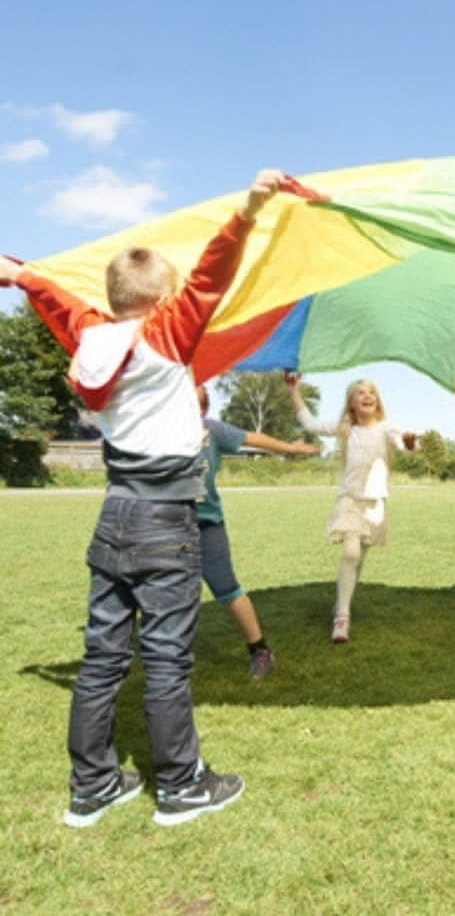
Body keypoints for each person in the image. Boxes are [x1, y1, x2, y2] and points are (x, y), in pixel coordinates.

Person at [0, 168, 284, 827]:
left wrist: (16, 274)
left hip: (113, 519)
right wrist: (247, 210)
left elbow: (53, 299)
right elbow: (213, 274)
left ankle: (92, 786)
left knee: (102, 657)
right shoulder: (164, 337)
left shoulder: (90, 338)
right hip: (166, 524)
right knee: (164, 658)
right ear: (163, 302)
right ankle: (181, 787)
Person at [196, 384, 319, 678]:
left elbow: (255, 438)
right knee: (162, 591)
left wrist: (291, 448)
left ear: (202, 410)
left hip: (206, 524)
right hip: (165, 525)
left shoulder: (212, 431)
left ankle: (260, 650)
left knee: (226, 588)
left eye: (193, 403)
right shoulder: (156, 432)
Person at [284, 373, 417, 643]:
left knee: (359, 558)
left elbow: (404, 446)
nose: (367, 396)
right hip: (349, 500)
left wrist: (411, 442)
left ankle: (342, 601)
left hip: (374, 503)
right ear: (351, 403)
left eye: (371, 392)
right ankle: (342, 616)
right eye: (361, 393)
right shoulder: (345, 429)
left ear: (377, 401)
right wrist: (293, 390)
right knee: (350, 551)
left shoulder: (386, 428)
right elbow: (309, 423)